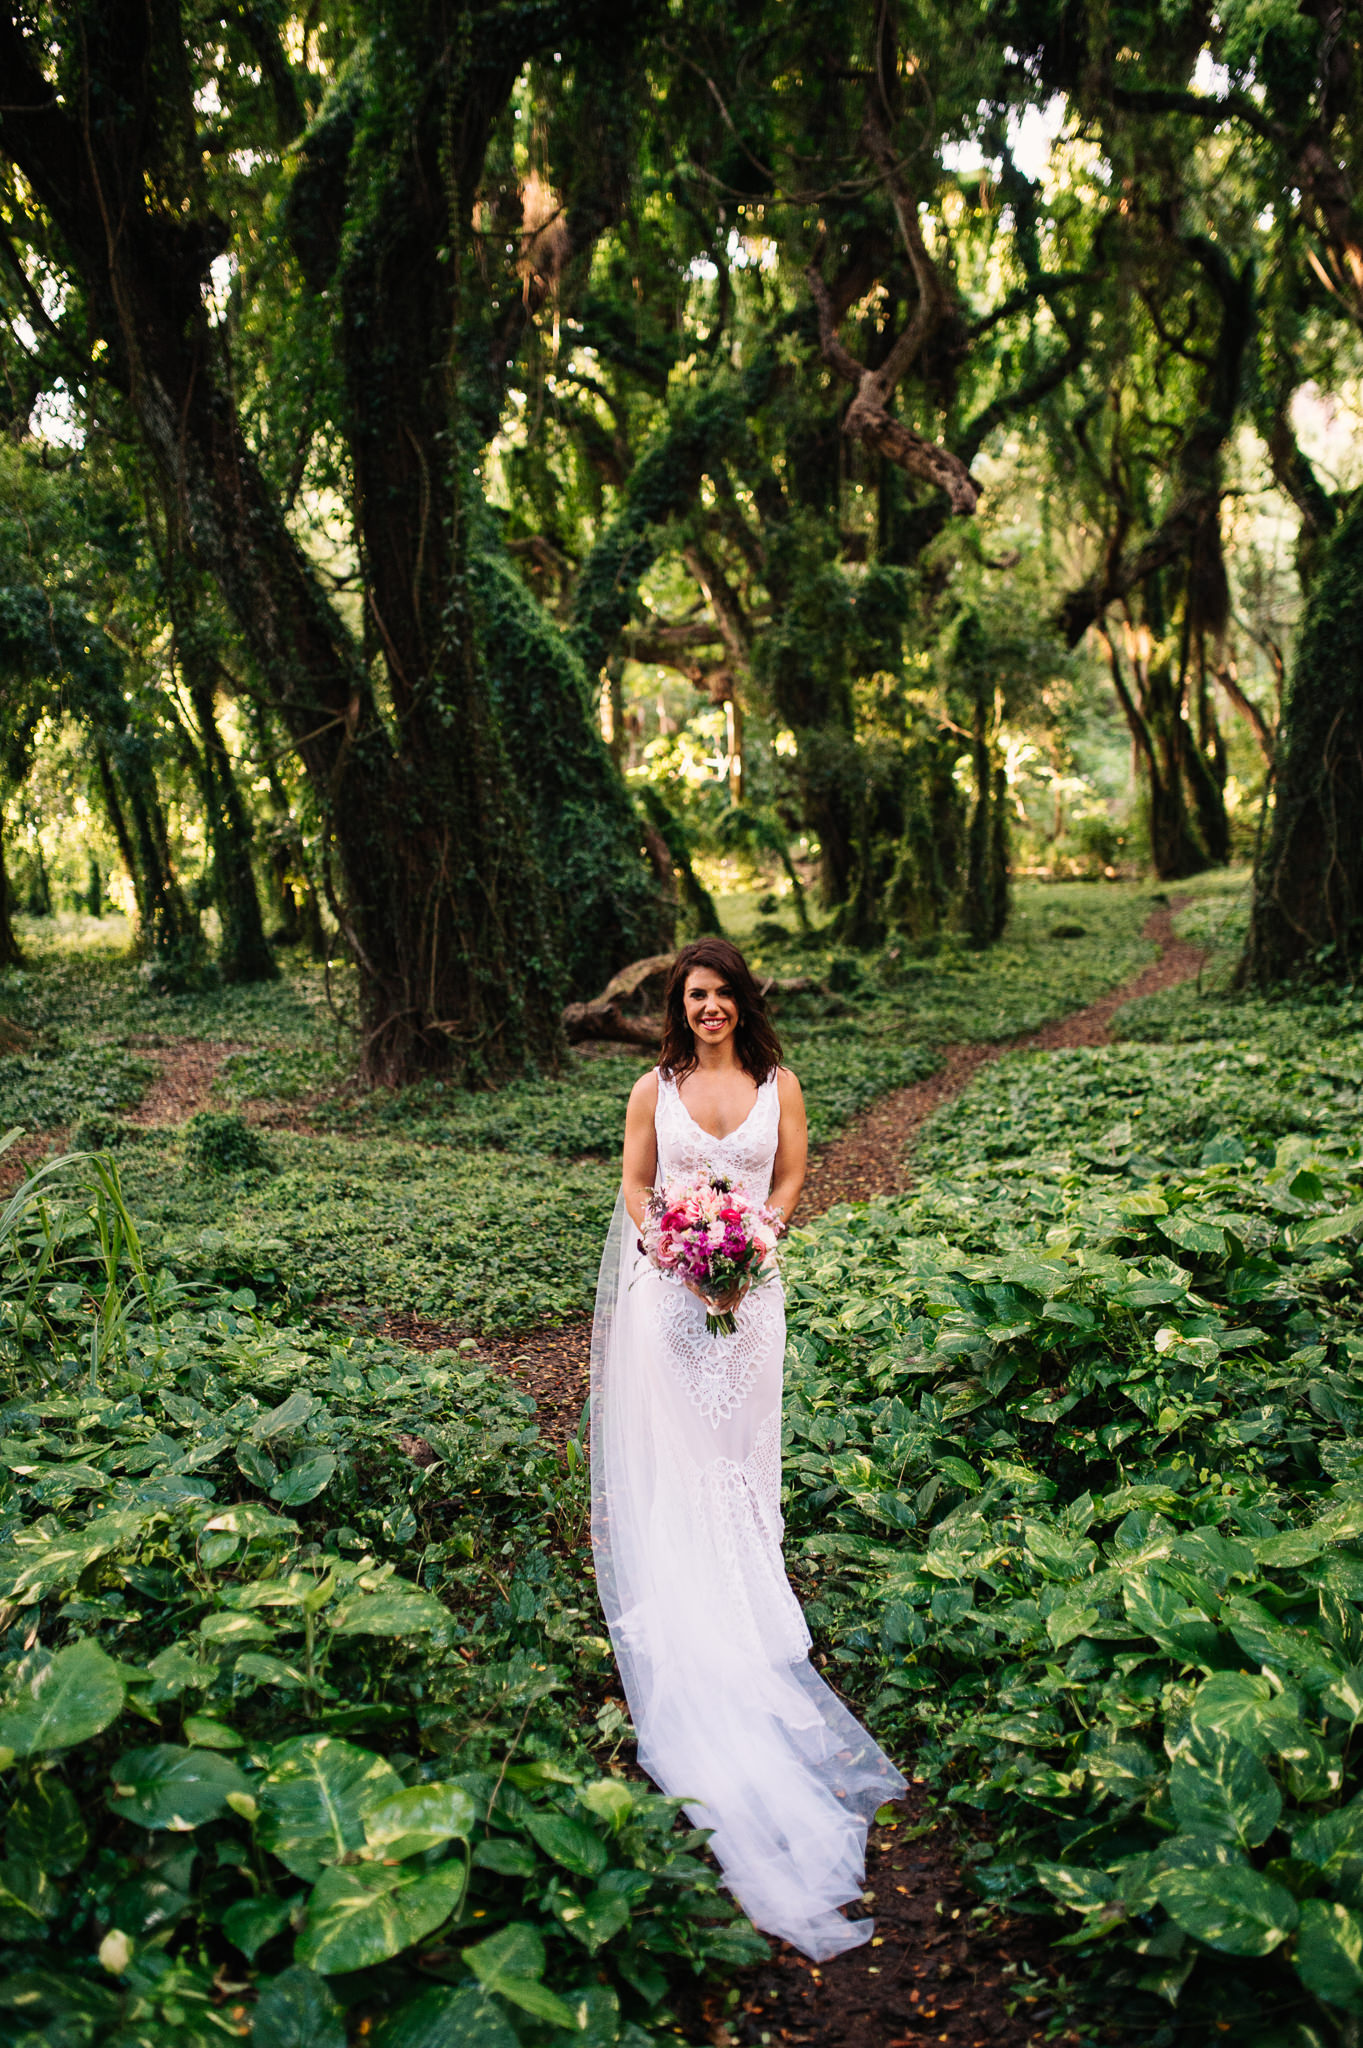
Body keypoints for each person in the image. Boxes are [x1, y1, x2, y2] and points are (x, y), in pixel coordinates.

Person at [590, 936, 906, 1961]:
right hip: (669, 1296)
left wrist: (755, 1236)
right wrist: (673, 1250)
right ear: (676, 1006)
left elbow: (795, 1167)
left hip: (752, 1295)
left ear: (742, 1003)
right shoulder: (654, 1085)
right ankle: (689, 1588)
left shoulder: (778, 1082)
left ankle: (750, 1582)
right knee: (681, 1451)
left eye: (723, 993)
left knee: (739, 1448)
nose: (711, 1007)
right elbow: (637, 1185)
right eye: (696, 994)